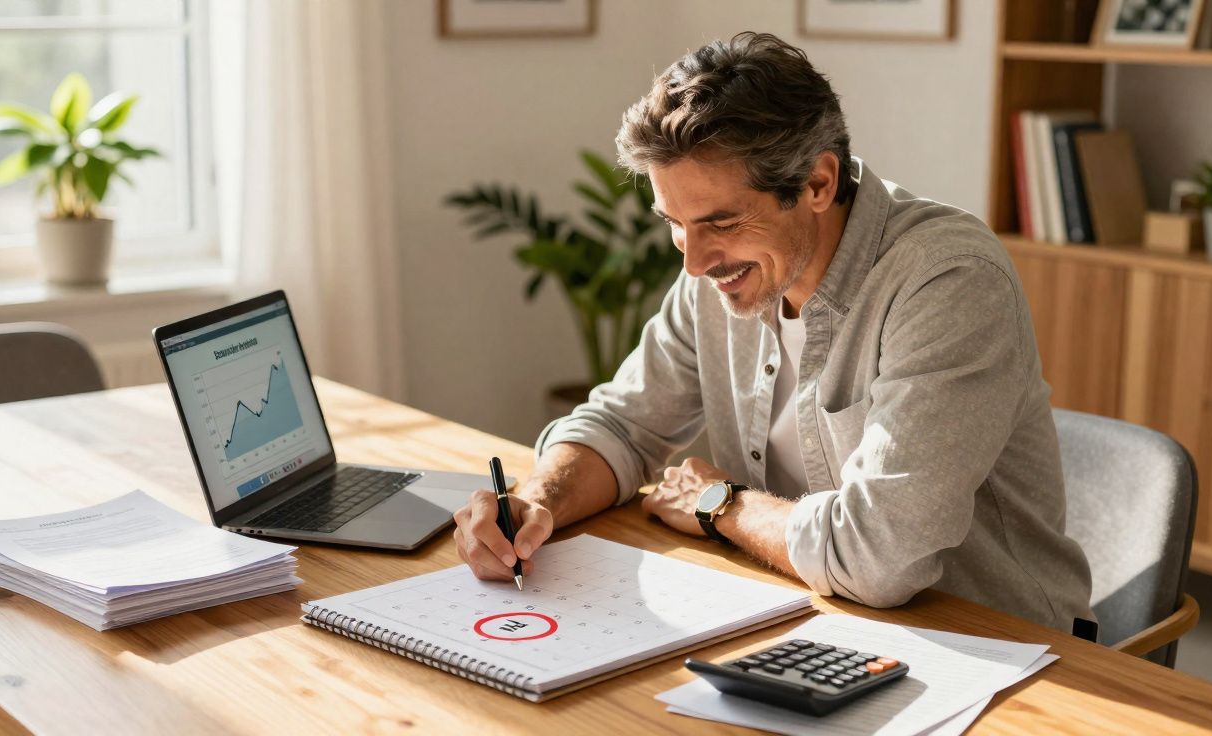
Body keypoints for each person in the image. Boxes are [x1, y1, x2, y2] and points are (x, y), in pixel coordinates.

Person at [452, 31, 1093, 632]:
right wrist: (538, 503)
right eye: (673, 223)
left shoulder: (947, 281)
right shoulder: (725, 271)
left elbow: (880, 555)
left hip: (998, 647)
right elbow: (623, 426)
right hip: (805, 615)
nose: (693, 262)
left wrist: (720, 504)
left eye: (722, 223)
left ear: (818, 183)